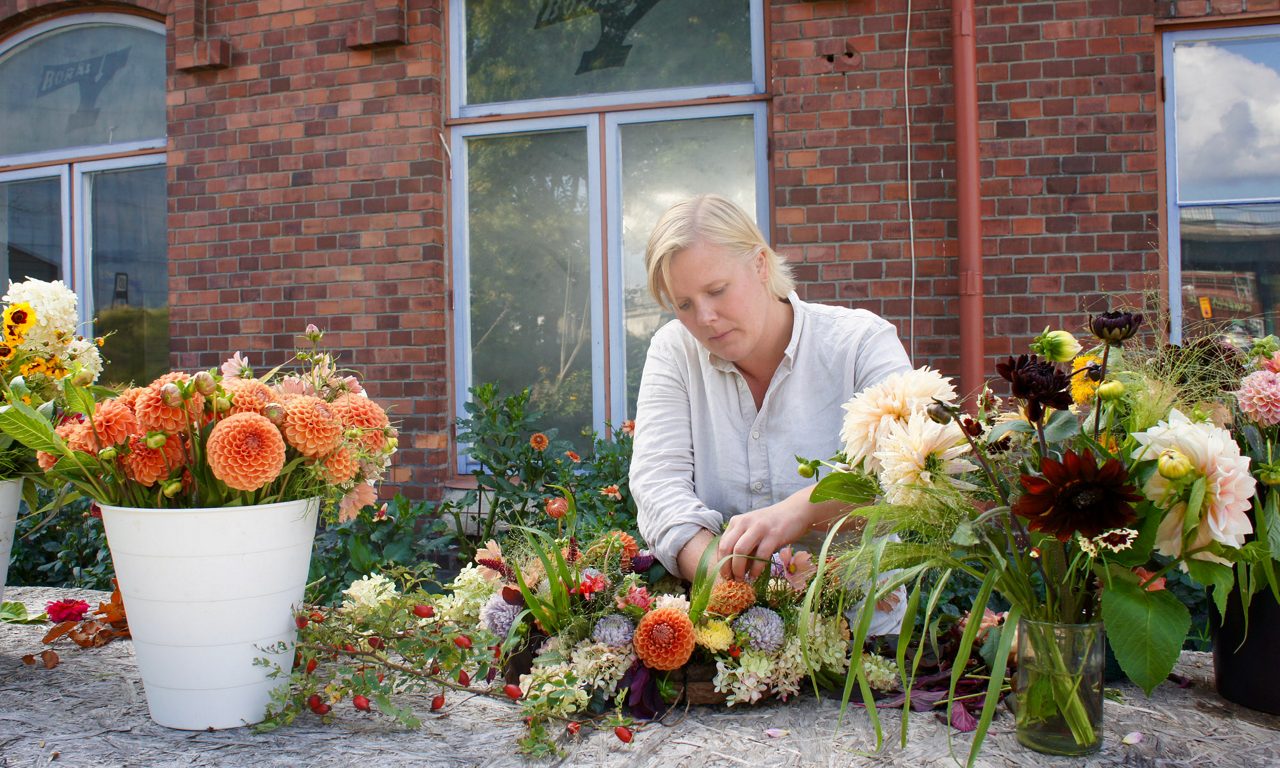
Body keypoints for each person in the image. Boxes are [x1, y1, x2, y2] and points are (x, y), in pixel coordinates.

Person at [629, 194, 911, 634]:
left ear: (760, 264)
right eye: (683, 304)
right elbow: (659, 487)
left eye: (717, 290)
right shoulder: (674, 352)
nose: (705, 317)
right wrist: (725, 580)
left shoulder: (859, 343)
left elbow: (905, 470)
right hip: (728, 638)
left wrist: (798, 512)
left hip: (863, 634)